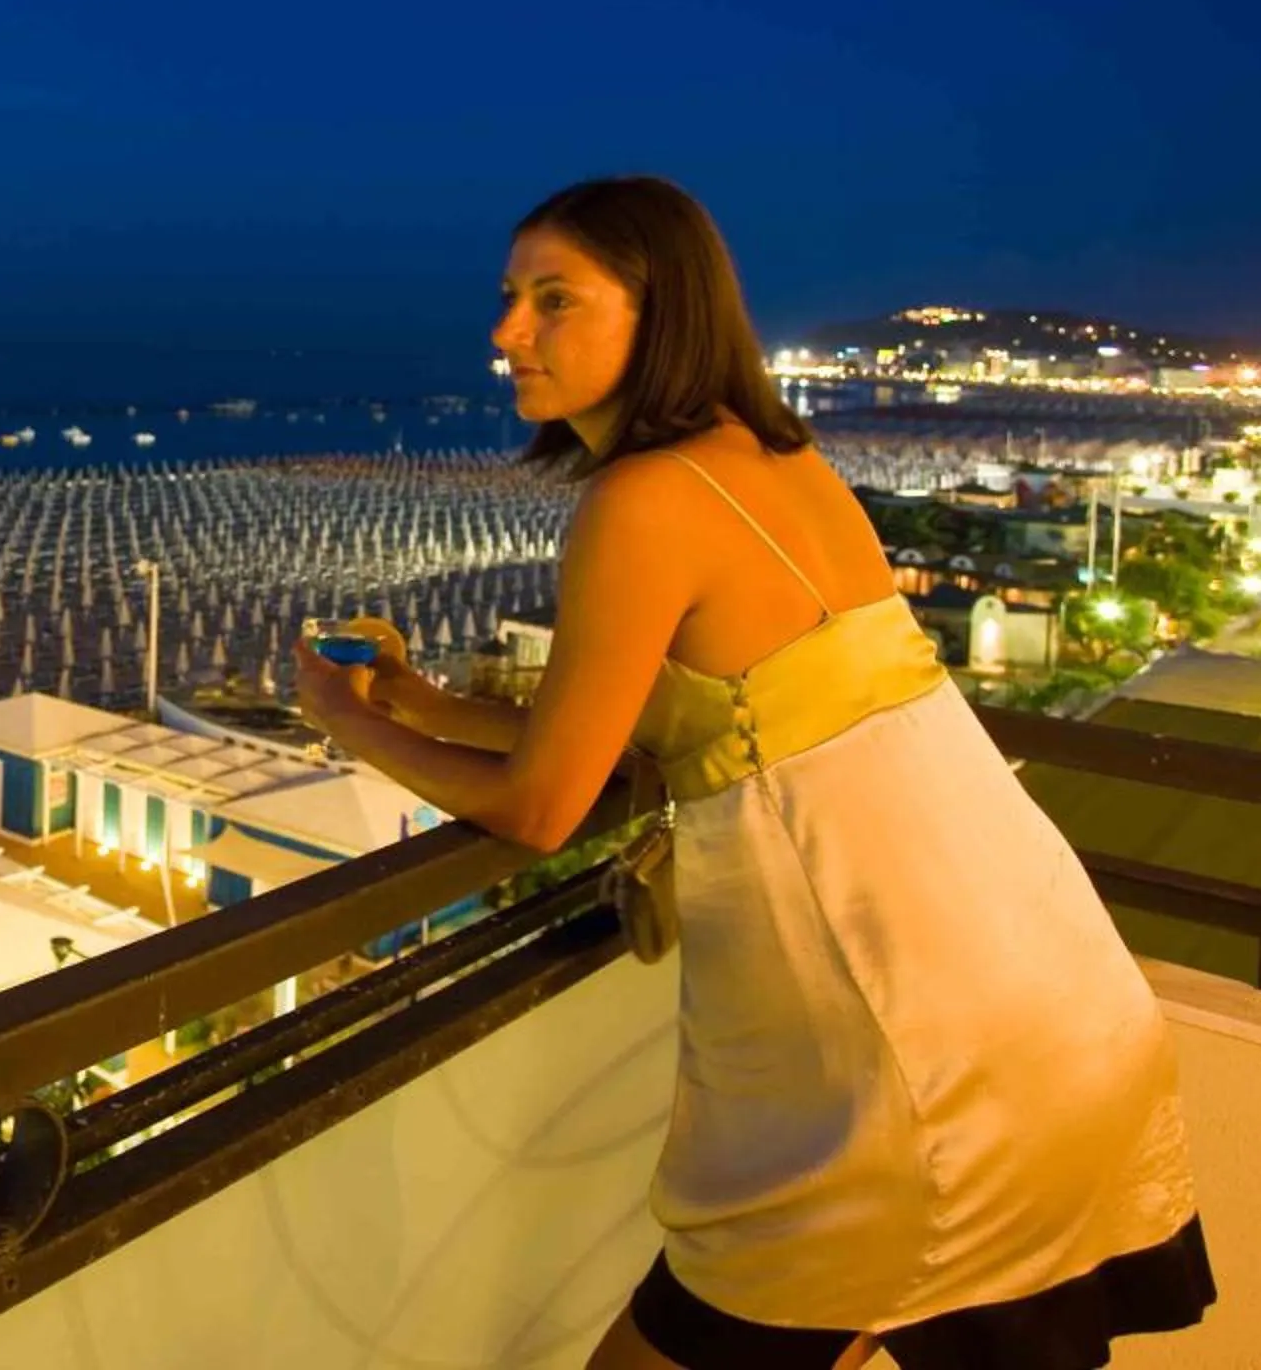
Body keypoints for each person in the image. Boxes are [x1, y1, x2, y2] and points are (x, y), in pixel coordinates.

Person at [291, 176, 1214, 1370]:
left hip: (906, 1067)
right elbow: (666, 730)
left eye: (553, 299)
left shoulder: (643, 498)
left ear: (659, 311)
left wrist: (338, 716)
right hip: (1038, 1005)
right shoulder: (775, 461)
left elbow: (541, 805)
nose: (506, 331)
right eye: (510, 297)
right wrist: (415, 700)